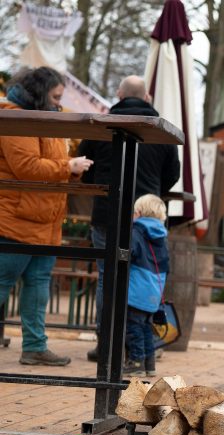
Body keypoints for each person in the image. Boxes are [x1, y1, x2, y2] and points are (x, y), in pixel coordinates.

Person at [78, 75, 180, 362]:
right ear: (146, 98)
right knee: (146, 275)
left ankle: (106, 344)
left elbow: (83, 165)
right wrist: (152, 192)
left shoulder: (101, 125)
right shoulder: (161, 130)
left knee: (106, 278)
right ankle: (142, 344)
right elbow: (173, 173)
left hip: (106, 214)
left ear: (119, 94)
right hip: (148, 218)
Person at [0, 67, 93, 366]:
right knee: (3, 282)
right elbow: (26, 166)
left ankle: (35, 346)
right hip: (15, 219)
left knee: (38, 287)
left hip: (43, 220)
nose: (58, 103)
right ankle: (34, 346)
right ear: (39, 94)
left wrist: (72, 169)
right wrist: (69, 167)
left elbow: (49, 164)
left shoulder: (43, 117)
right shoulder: (15, 118)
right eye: (55, 97)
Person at [124, 194, 169, 376]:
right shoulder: (161, 236)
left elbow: (130, 254)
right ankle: (149, 364)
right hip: (154, 290)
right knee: (146, 327)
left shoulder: (136, 232)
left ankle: (136, 363)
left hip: (136, 291)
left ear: (139, 212)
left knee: (133, 328)